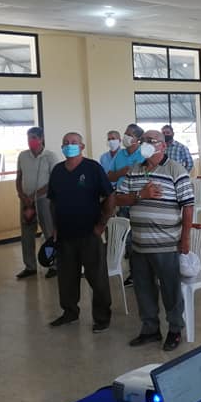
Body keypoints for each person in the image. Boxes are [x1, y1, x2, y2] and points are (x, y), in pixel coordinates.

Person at [114, 130, 194, 352]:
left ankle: (175, 329)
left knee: (170, 289)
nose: (145, 144)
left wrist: (185, 238)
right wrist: (140, 195)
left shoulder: (175, 170)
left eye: (151, 141)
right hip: (139, 244)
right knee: (143, 289)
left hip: (166, 244)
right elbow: (118, 198)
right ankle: (150, 329)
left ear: (163, 146)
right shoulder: (134, 170)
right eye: (143, 141)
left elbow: (188, 206)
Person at [47, 132, 114, 332]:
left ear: (82, 146)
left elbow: (110, 196)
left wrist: (101, 225)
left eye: (74, 143)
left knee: (97, 278)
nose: (70, 146)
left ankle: (102, 317)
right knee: (66, 278)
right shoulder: (58, 171)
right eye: (66, 143)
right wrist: (55, 227)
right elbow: (53, 201)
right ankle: (69, 312)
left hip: (89, 234)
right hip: (65, 235)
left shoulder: (93, 168)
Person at [16, 126, 61, 279]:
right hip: (26, 201)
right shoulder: (22, 156)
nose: (31, 141)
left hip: (44, 200)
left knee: (49, 232)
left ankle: (54, 264)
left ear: (41, 139)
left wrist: (36, 195)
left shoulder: (50, 156)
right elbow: (19, 178)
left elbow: (54, 181)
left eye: (34, 138)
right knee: (27, 234)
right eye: (29, 138)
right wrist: (22, 195)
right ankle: (30, 266)